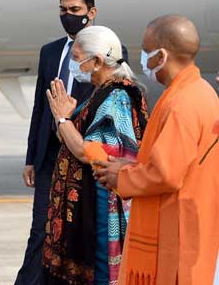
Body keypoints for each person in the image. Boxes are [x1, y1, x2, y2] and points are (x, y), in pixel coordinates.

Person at [15, 0, 129, 285]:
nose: (67, 16)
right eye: (63, 10)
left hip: (83, 155)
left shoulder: (109, 53)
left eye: (74, 10)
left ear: (91, 13)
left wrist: (67, 119)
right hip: (51, 153)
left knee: (76, 230)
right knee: (41, 228)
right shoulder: (50, 52)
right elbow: (41, 107)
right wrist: (31, 157)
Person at [94, 15, 219, 285]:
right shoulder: (200, 92)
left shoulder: (181, 104)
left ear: (161, 55)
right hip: (192, 227)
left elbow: (167, 174)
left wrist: (122, 177)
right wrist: (131, 168)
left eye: (145, 49)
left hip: (176, 237)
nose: (142, 58)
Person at [40, 26, 148, 285]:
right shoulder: (99, 93)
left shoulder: (116, 97)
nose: (73, 66)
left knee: (100, 272)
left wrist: (62, 118)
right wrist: (67, 120)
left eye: (77, 59)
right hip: (86, 202)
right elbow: (74, 142)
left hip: (100, 205)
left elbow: (95, 153)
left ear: (97, 61)